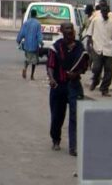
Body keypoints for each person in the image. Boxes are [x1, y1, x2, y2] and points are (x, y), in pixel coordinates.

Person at [46, 22, 88, 156]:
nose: (70, 31)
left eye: (71, 28)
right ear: (62, 31)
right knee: (57, 116)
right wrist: (52, 79)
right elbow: (50, 65)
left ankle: (73, 146)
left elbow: (84, 67)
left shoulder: (80, 47)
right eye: (67, 29)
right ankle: (56, 140)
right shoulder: (56, 48)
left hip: (74, 85)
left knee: (75, 116)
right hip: (59, 85)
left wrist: (76, 74)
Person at [85, 2, 112, 97]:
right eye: (103, 11)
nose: (104, 13)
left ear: (108, 12)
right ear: (101, 12)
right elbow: (89, 34)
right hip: (97, 48)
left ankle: (104, 89)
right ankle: (95, 81)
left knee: (109, 70)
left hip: (109, 49)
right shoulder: (95, 20)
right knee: (96, 68)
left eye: (106, 12)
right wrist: (90, 45)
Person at [16, 9, 43, 80]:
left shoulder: (26, 23)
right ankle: (32, 75)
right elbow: (39, 34)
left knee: (27, 58)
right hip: (34, 45)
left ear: (30, 14)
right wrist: (41, 42)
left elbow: (22, 32)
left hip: (27, 45)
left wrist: (18, 40)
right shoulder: (38, 24)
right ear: (36, 15)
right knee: (34, 61)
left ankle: (25, 68)